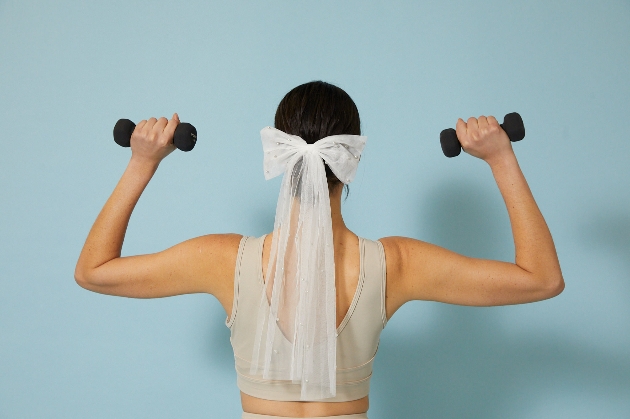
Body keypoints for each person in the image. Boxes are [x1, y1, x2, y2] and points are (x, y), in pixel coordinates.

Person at [75, 81, 564, 418]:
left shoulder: (224, 260)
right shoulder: (394, 265)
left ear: (277, 153)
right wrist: (501, 157)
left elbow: (93, 271)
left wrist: (143, 162)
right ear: (352, 157)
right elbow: (542, 278)